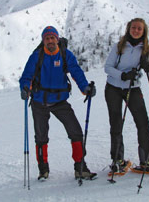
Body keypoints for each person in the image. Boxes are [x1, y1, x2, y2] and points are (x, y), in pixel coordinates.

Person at [19, 26, 97, 180]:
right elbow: (26, 76)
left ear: (57, 39)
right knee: (41, 137)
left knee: (75, 132)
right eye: (47, 38)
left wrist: (85, 87)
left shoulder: (65, 55)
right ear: (43, 41)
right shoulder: (36, 56)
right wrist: (25, 88)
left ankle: (80, 167)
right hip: (39, 101)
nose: (50, 41)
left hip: (60, 101)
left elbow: (76, 72)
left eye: (52, 38)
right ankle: (43, 169)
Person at [104, 18, 149, 173]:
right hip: (113, 88)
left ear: (144, 32)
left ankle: (147, 159)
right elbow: (108, 67)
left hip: (133, 88)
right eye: (134, 28)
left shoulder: (146, 50)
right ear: (128, 29)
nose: (136, 31)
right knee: (116, 123)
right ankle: (117, 159)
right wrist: (123, 75)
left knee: (142, 122)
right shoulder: (119, 46)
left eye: (139, 29)